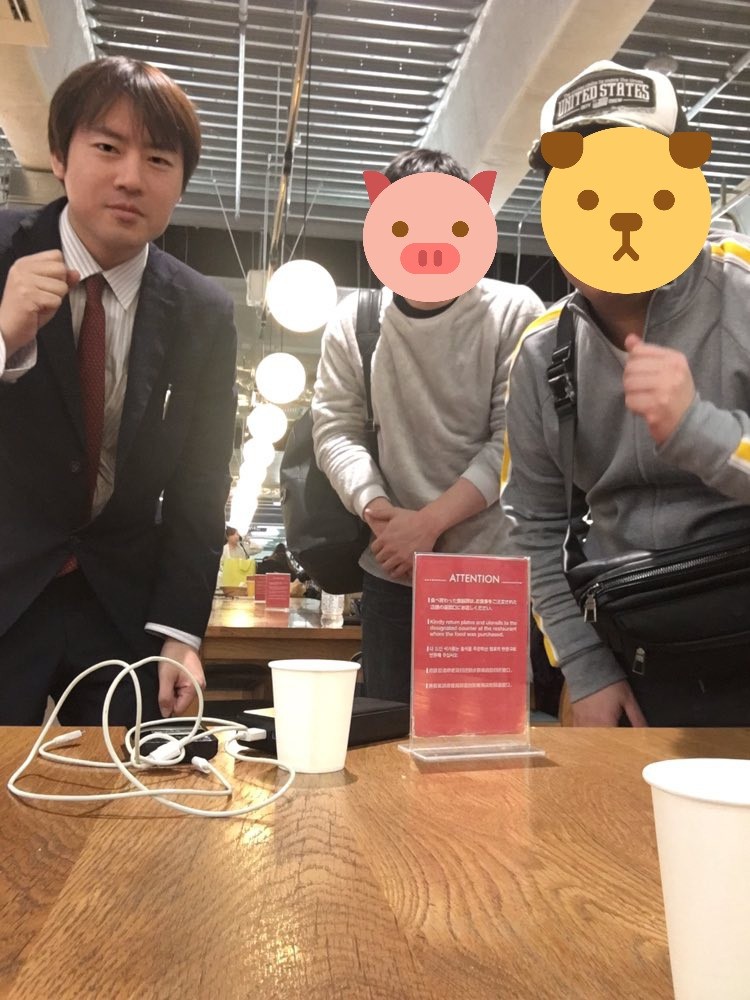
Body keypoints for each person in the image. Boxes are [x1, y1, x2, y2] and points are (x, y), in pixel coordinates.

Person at [501, 60, 750, 726]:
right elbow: (532, 527)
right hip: (632, 662)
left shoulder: (743, 290)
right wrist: (585, 667)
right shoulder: (541, 352)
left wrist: (701, 430)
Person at [0, 56, 238, 725]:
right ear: (59, 154)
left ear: (180, 183)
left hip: (121, 609)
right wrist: (3, 336)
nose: (132, 177)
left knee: (129, 787)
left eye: (159, 159)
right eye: (107, 147)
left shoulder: (203, 312)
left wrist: (181, 633)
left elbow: (199, 483)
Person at [312, 148, 544, 702]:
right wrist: (382, 515)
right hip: (392, 570)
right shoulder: (355, 320)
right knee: (388, 735)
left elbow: (515, 437)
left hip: (488, 576)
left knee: (487, 738)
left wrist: (428, 525)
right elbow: (334, 428)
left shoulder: (513, 310)